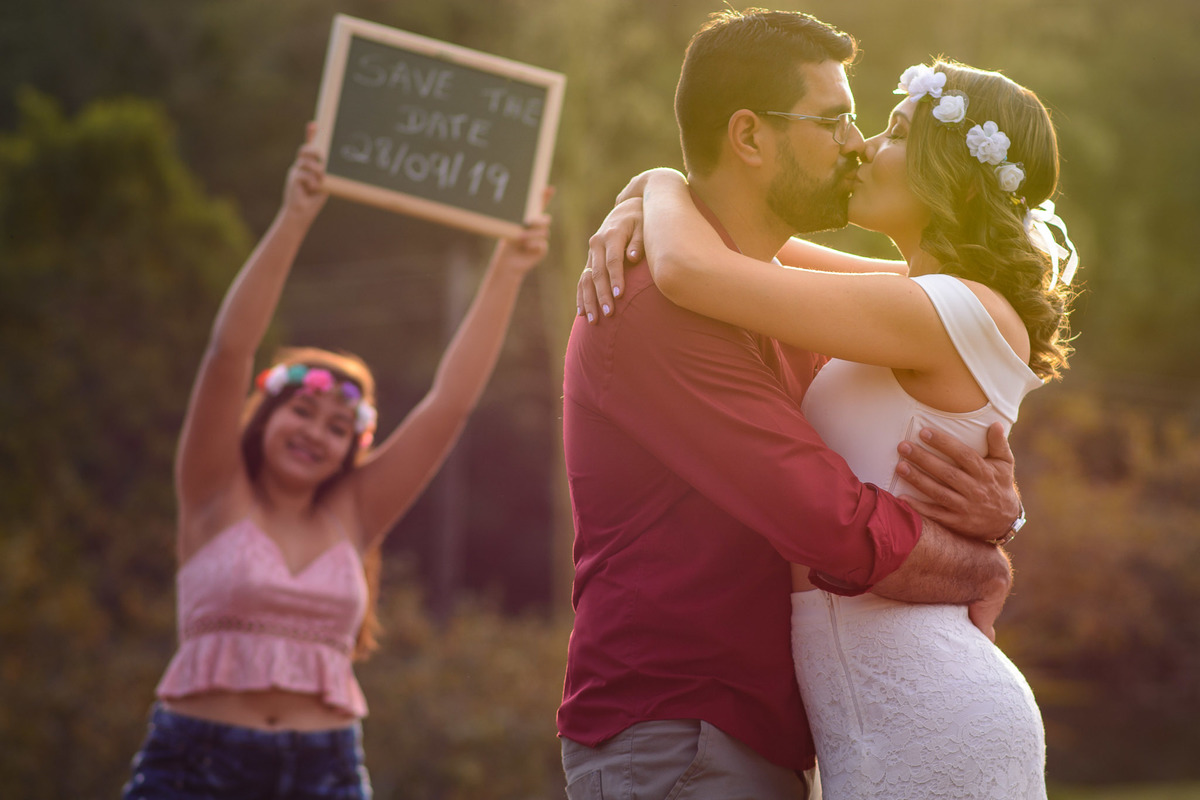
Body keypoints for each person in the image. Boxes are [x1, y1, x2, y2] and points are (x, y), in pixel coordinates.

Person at [581, 53, 1079, 800]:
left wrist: (655, 183)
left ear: (957, 178)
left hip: (923, 703)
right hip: (860, 710)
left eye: (895, 132)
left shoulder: (938, 310)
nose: (863, 147)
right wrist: (654, 195)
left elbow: (695, 268)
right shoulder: (917, 298)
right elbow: (751, 238)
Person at [121, 124, 551, 799]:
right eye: (303, 413)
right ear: (265, 414)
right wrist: (296, 216)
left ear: (352, 450)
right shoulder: (211, 492)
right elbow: (229, 351)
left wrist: (506, 271)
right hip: (196, 764)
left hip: (326, 767)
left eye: (339, 428)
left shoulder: (355, 513)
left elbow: (450, 404)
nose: (317, 433)